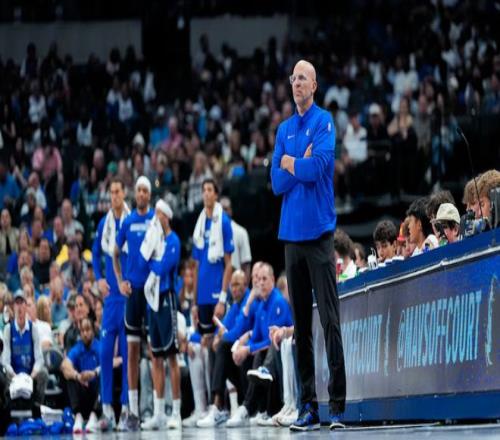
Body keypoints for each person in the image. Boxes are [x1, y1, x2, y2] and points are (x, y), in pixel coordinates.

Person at [270, 59, 346, 431]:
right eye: (293, 78)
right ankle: (308, 407)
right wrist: (295, 162)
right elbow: (276, 183)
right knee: (301, 327)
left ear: (314, 85)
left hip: (318, 235)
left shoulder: (324, 122)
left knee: (329, 320)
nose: (297, 82)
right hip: (291, 238)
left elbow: (318, 170)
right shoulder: (284, 129)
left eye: (303, 78)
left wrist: (292, 163)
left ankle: (338, 406)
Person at [113, 176, 154, 430]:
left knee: (155, 352)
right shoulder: (127, 222)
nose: (141, 194)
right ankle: (134, 411)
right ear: (135, 194)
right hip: (132, 294)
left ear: (149, 195)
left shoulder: (155, 220)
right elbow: (115, 253)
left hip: (151, 293)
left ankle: (159, 409)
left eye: (144, 190)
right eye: (138, 190)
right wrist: (120, 282)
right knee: (132, 352)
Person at [92, 177, 130, 430]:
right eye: (111, 192)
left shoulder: (131, 221)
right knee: (105, 351)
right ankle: (106, 409)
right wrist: (98, 279)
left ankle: (126, 409)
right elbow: (95, 254)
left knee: (127, 353)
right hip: (109, 300)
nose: (114, 195)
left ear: (124, 193)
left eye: (118, 191)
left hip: (126, 298)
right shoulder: (104, 224)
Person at [140, 200, 181, 430]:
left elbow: (162, 268)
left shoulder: (173, 241)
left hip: (167, 298)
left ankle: (175, 411)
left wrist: (150, 261)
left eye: (158, 214)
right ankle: (158, 413)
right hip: (152, 300)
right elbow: (143, 261)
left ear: (166, 216)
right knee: (155, 356)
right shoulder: (154, 240)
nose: (155, 218)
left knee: (171, 356)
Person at [191, 179, 234, 335]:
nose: (206, 193)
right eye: (204, 190)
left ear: (216, 195)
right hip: (202, 296)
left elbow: (229, 265)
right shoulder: (199, 226)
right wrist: (194, 303)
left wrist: (222, 299)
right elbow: (196, 267)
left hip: (217, 295)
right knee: (206, 340)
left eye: (210, 190)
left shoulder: (224, 222)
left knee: (221, 340)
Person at [1, 289, 48, 418]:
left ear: (26, 306)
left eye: (22, 303)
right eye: (17, 303)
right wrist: (14, 376)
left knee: (43, 373)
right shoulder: (8, 329)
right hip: (13, 375)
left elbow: (39, 359)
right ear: (13, 307)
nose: (19, 307)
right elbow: (5, 360)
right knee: (2, 375)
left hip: (30, 374)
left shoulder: (33, 328)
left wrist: (32, 375)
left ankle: (37, 408)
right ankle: (6, 411)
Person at [60, 318, 102, 434]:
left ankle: (94, 416)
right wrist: (78, 376)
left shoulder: (99, 347)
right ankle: (77, 417)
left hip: (96, 394)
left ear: (93, 331)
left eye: (88, 330)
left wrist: (94, 373)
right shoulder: (78, 348)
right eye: (82, 330)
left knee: (105, 377)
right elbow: (64, 365)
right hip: (83, 391)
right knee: (69, 376)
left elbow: (108, 364)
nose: (85, 333)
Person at [220, 196, 252, 281]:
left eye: (225, 209)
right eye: (220, 209)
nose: (223, 212)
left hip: (235, 282)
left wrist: (245, 286)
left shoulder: (241, 232)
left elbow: (246, 263)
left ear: (230, 211)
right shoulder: (211, 232)